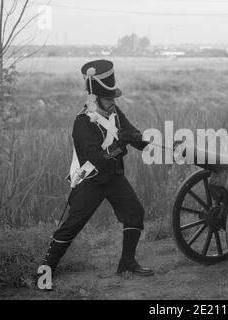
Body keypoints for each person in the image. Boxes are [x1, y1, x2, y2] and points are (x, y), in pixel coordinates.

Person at [39, 59, 154, 282]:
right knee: (71, 227)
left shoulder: (115, 111)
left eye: (113, 98)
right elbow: (96, 158)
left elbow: (133, 134)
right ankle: (45, 273)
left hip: (114, 177)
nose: (113, 102)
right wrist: (121, 144)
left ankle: (127, 263)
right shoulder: (82, 122)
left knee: (135, 214)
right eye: (109, 98)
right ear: (96, 98)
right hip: (91, 179)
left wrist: (145, 139)